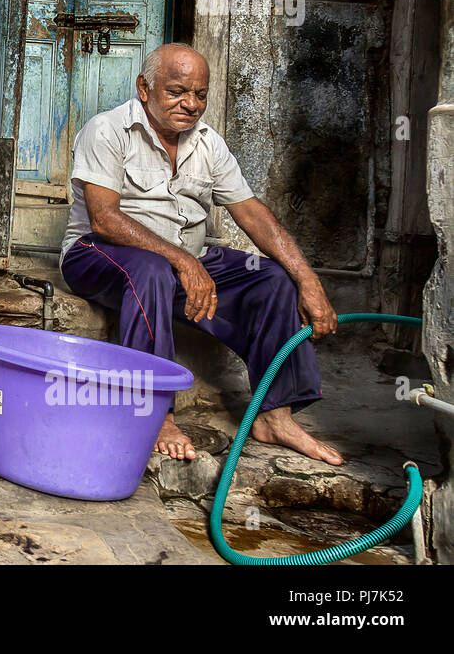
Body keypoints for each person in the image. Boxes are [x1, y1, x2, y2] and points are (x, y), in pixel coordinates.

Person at [59, 43, 342, 463]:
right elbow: (104, 219)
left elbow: (252, 213)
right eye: (177, 91)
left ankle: (274, 414)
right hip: (99, 253)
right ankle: (156, 414)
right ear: (144, 87)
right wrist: (184, 260)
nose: (191, 104)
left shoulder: (208, 143)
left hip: (181, 260)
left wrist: (308, 278)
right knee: (152, 270)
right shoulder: (107, 130)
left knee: (273, 279)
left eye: (200, 94)